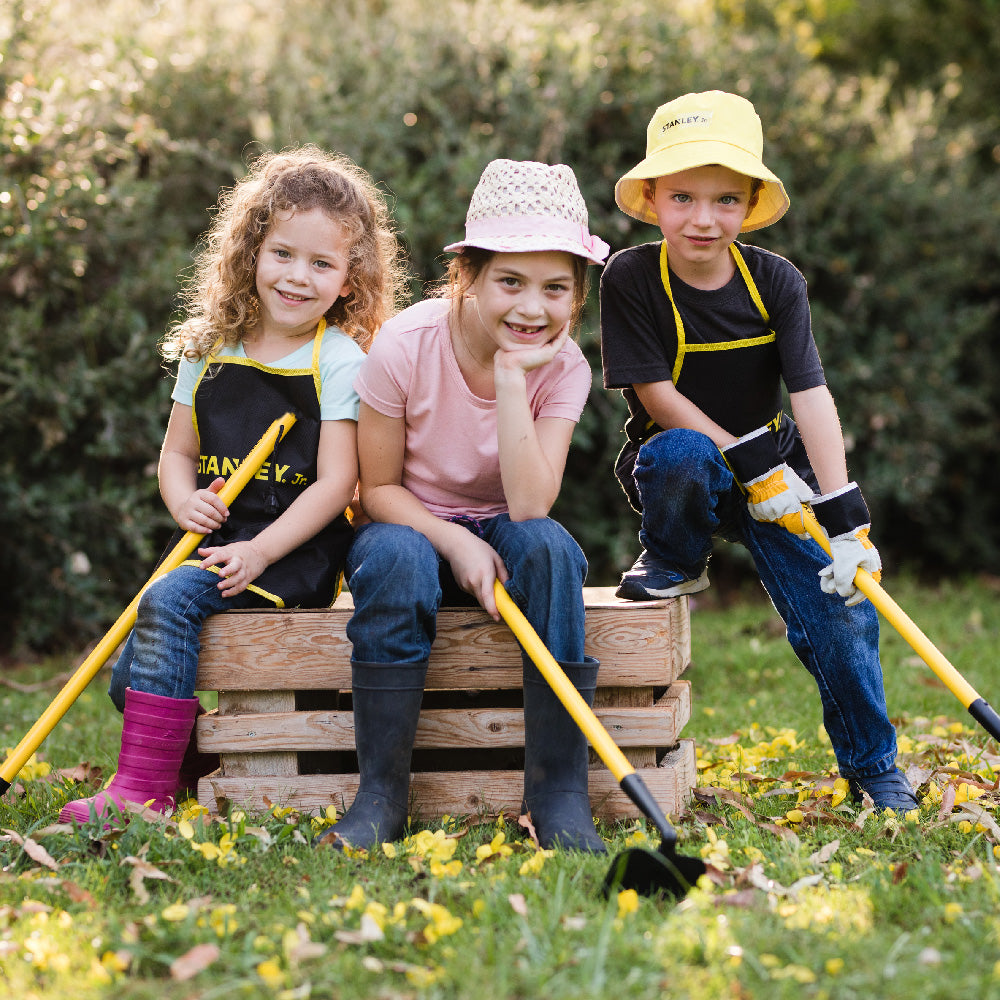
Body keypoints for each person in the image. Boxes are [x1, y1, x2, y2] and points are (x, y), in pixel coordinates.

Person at [60, 146, 404, 825]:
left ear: (349, 279)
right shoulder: (208, 347)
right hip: (218, 539)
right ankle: (189, 770)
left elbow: (338, 483)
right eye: (283, 253)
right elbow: (175, 454)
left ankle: (141, 794)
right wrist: (181, 498)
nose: (297, 277)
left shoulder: (335, 359)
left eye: (322, 264)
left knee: (171, 601)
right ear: (251, 249)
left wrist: (263, 552)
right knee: (129, 672)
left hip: (292, 553)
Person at [599, 91, 918, 812]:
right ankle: (677, 561)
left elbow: (811, 396)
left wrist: (844, 517)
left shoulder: (775, 281)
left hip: (781, 466)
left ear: (749, 202)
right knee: (679, 454)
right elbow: (655, 393)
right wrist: (748, 466)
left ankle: (873, 769)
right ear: (651, 197)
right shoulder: (629, 278)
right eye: (682, 197)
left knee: (842, 615)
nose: (703, 219)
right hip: (689, 465)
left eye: (724, 200)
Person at [326, 159, 611, 853]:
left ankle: (558, 794)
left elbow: (531, 502)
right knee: (393, 556)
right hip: (408, 522)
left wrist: (513, 378)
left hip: (509, 523)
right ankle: (382, 796)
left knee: (549, 550)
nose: (531, 308)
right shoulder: (404, 345)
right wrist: (452, 540)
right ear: (468, 279)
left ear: (576, 297)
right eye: (510, 282)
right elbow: (376, 491)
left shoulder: (564, 366)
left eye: (555, 289)